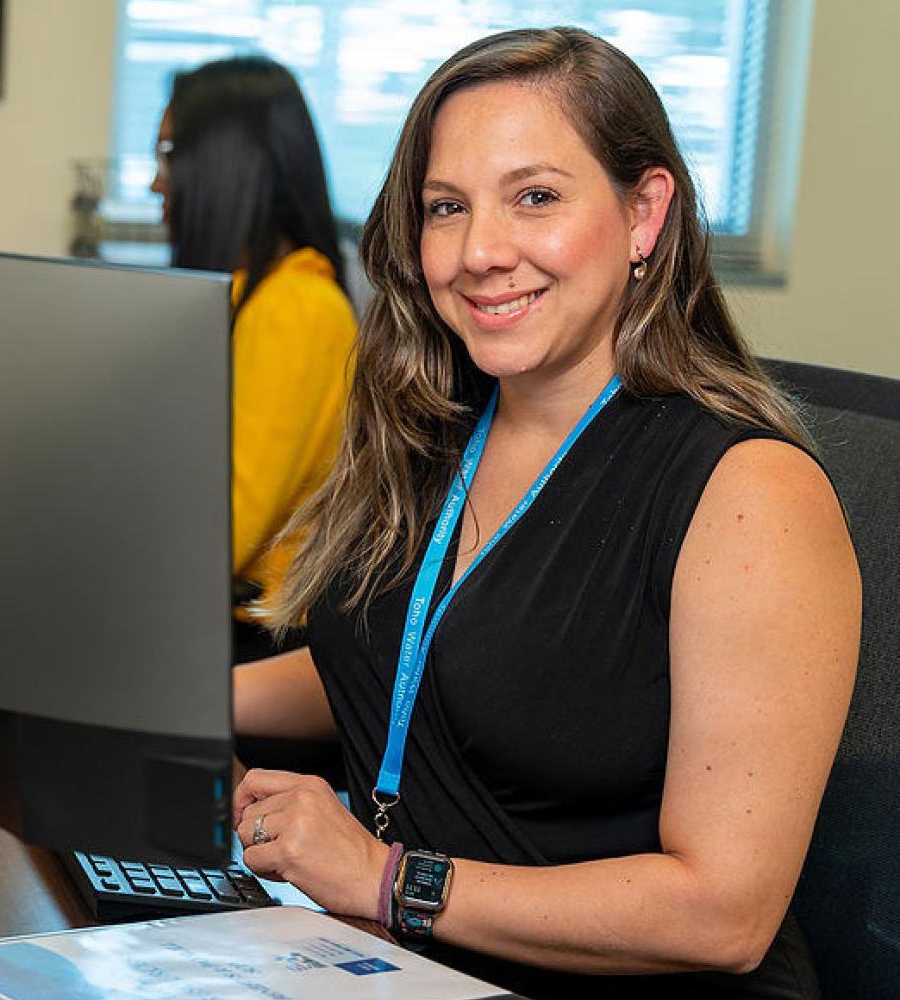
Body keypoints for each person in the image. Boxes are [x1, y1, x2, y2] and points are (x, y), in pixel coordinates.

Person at [231, 27, 860, 999]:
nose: (481, 252)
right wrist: (187, 699)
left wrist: (387, 878)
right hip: (397, 968)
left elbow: (724, 912)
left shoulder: (747, 496)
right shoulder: (441, 430)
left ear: (644, 213)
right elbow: (404, 658)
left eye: (535, 196)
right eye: (447, 208)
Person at [149, 56, 356, 662]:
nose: (157, 182)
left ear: (222, 164)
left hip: (259, 642)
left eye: (168, 153)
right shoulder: (249, 294)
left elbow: (219, 531)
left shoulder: (297, 307)